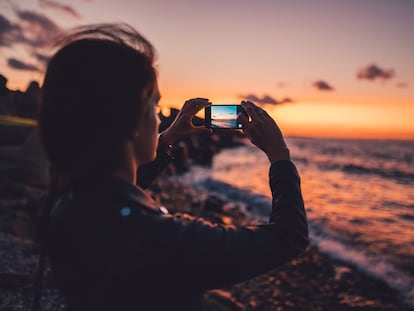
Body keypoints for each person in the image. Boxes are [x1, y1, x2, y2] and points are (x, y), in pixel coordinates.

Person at [38, 23, 309, 311]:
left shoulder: (71, 198)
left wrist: (169, 137)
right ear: (130, 122)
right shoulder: (158, 237)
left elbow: (113, 187)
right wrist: (279, 157)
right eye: (155, 109)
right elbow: (287, 237)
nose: (159, 119)